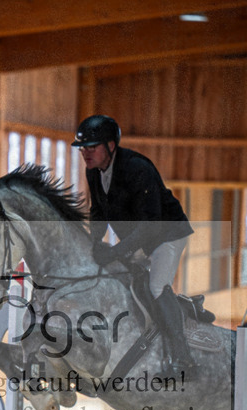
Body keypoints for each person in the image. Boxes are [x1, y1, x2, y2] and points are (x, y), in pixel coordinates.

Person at [72, 114, 196, 373]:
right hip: (138, 236)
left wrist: (117, 250)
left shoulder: (138, 168)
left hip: (166, 233)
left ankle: (183, 356)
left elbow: (151, 224)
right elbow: (99, 212)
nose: (85, 153)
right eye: (83, 148)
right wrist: (92, 243)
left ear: (111, 146)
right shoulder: (94, 171)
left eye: (91, 147)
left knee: (156, 285)